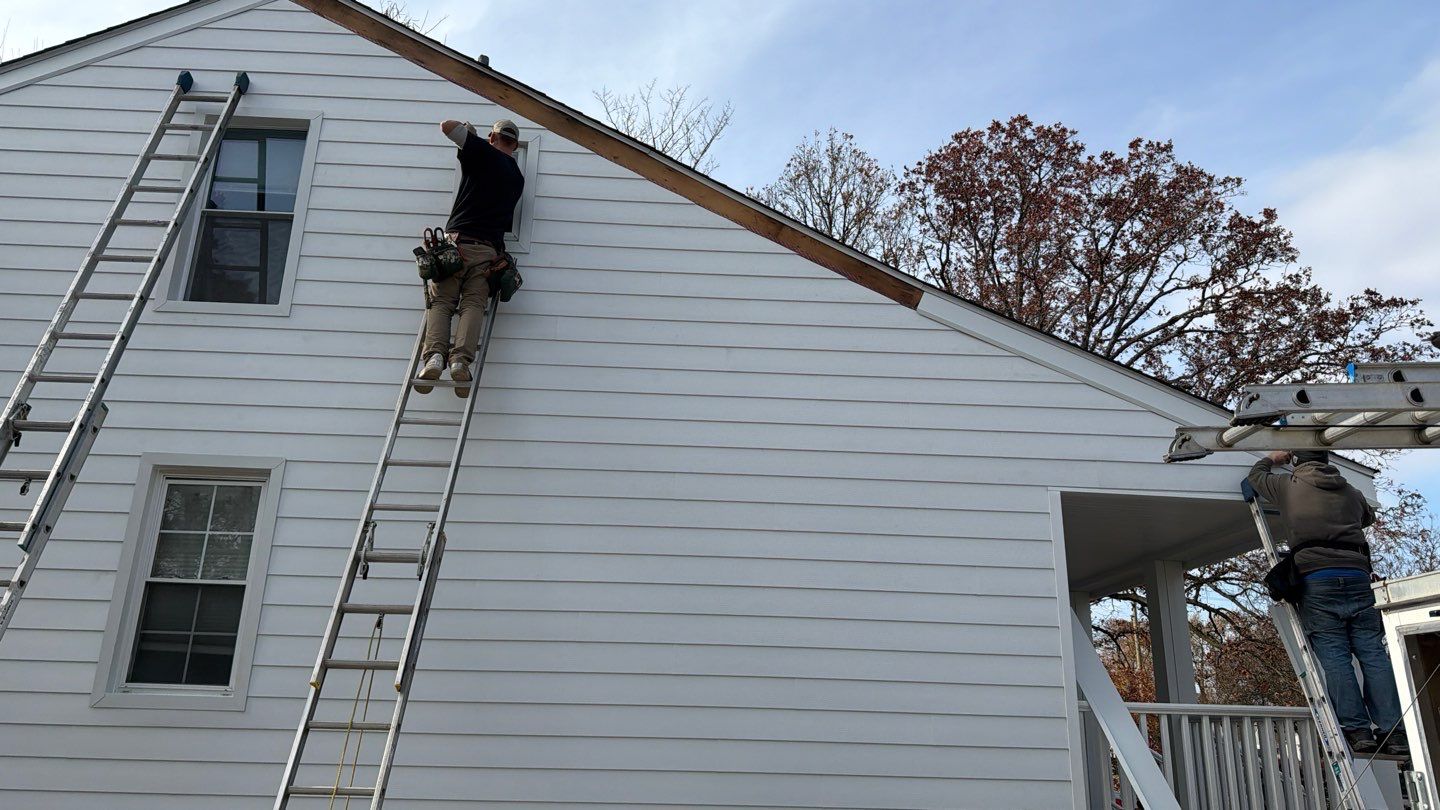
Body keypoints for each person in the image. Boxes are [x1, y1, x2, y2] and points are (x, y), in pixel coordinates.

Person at [1247, 449, 1408, 757]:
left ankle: (1358, 731)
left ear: (1297, 461)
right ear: (1327, 460)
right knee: (1373, 654)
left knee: (1335, 658)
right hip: (1359, 578)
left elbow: (1255, 477)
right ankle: (1394, 731)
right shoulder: (1351, 491)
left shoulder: (1287, 486)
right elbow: (1367, 518)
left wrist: (1273, 459)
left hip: (1317, 579)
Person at [414, 118, 524, 398]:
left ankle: (435, 358)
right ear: (515, 143)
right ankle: (460, 360)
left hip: (458, 246)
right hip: (488, 254)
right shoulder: (517, 177)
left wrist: (468, 132)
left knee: (441, 302)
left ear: (493, 137)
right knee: (473, 304)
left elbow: (447, 126)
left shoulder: (482, 152)